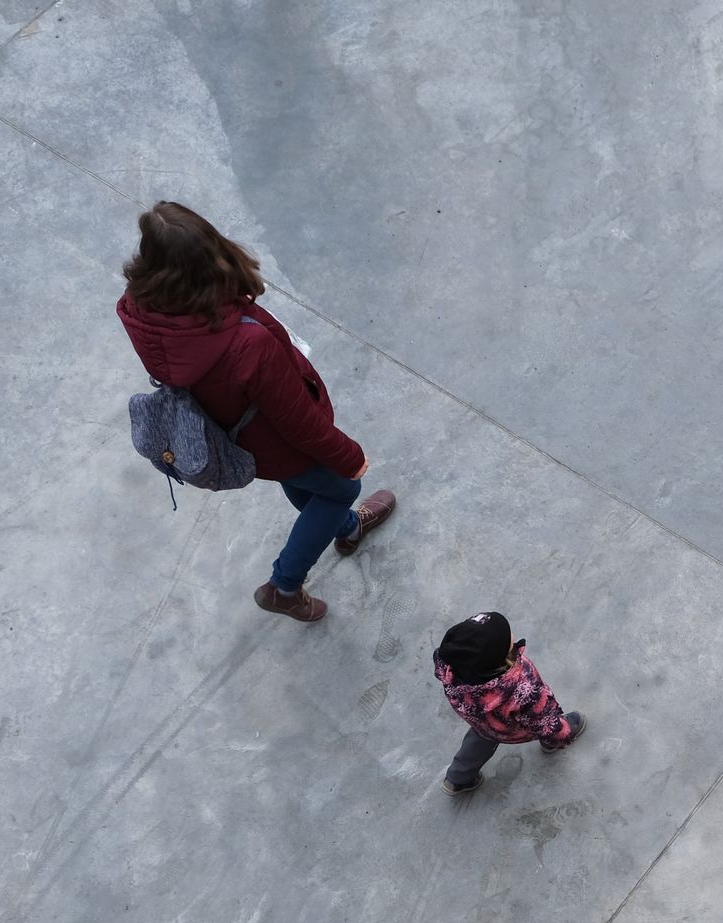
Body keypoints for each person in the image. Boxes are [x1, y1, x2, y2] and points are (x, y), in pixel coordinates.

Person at [116, 201, 396, 622]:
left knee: (310, 487)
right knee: (342, 487)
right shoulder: (246, 343)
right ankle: (285, 585)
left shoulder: (140, 309)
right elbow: (296, 419)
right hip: (275, 438)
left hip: (238, 435)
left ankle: (344, 529)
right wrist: (350, 457)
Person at [434, 612, 586, 796]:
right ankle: (550, 744)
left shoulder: (451, 667)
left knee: (480, 740)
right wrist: (561, 733)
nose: (512, 634)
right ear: (499, 656)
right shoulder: (521, 687)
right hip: (511, 728)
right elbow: (543, 721)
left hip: (480, 720)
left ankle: (457, 780)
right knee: (545, 725)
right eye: (507, 638)